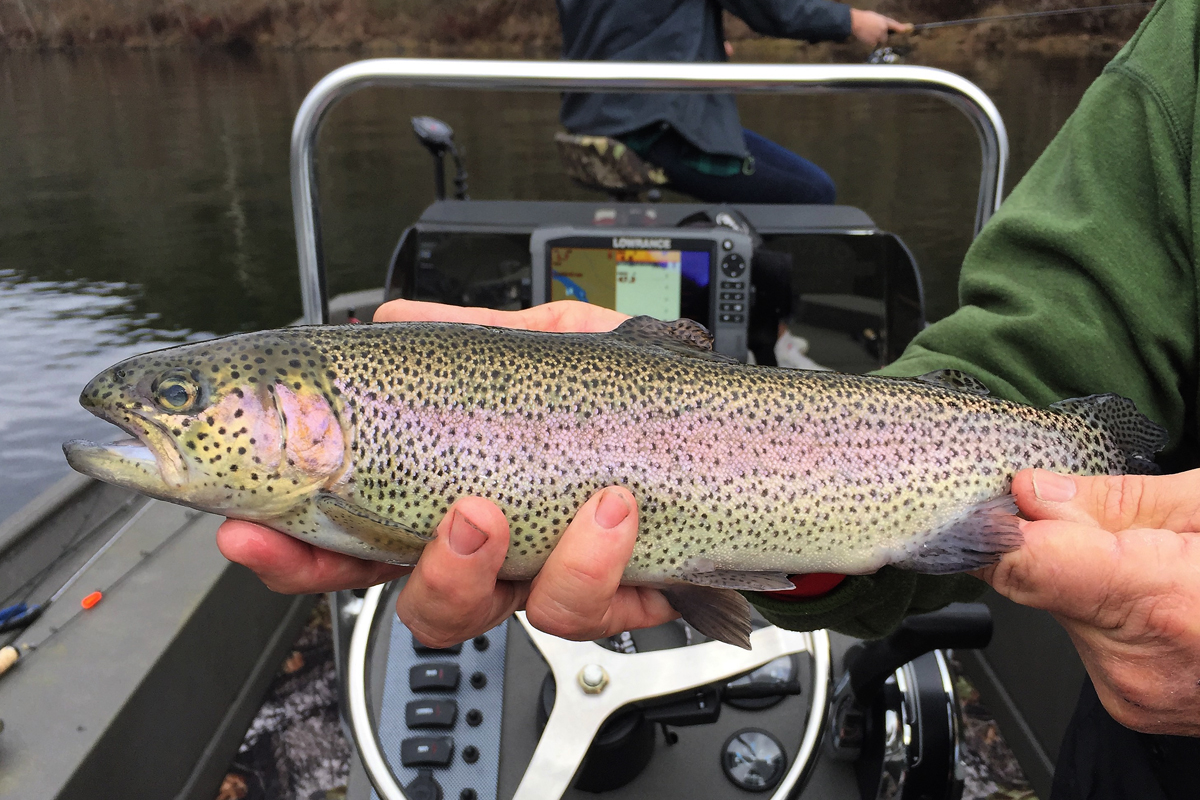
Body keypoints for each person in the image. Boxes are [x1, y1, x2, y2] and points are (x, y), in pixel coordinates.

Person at [219, 0, 1200, 796]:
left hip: (602, 128)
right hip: (1133, 746)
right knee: (802, 191)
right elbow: (1041, 357)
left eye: (186, 403)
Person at [556, 0, 911, 204]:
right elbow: (774, 9)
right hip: (657, 126)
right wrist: (851, 21)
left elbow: (619, 21)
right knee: (812, 194)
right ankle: (770, 329)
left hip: (590, 118)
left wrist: (702, 42)